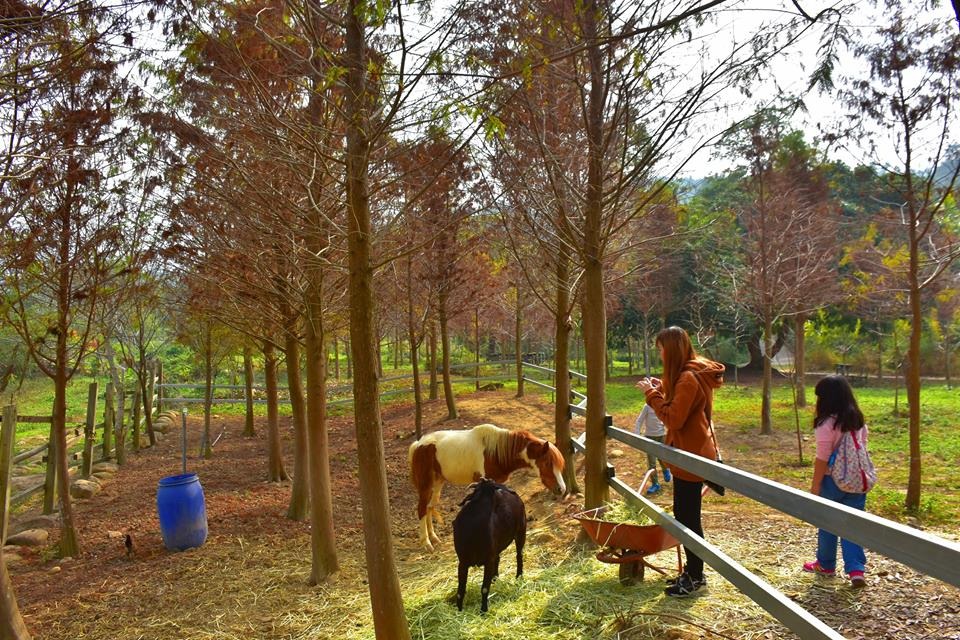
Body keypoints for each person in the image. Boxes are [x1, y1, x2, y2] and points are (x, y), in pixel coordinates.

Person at [636, 326, 724, 597]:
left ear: (671, 350)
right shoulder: (688, 375)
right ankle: (692, 571)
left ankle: (696, 577)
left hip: (691, 457)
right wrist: (661, 387)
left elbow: (673, 418)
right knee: (685, 517)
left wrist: (652, 396)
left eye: (661, 349)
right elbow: (681, 402)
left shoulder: (687, 378)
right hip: (690, 454)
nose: (659, 354)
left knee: (688, 519)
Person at [804, 375, 869, 588]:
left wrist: (815, 486)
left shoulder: (826, 423)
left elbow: (822, 457)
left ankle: (826, 564)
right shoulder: (858, 420)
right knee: (853, 525)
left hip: (832, 480)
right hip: (857, 481)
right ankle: (856, 569)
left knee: (827, 524)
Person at [633, 404, 671, 494]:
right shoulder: (647, 407)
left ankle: (666, 470)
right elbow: (639, 421)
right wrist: (637, 435)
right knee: (651, 463)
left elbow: (668, 420)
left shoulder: (663, 404)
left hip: (662, 436)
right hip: (650, 437)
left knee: (662, 458)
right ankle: (655, 484)